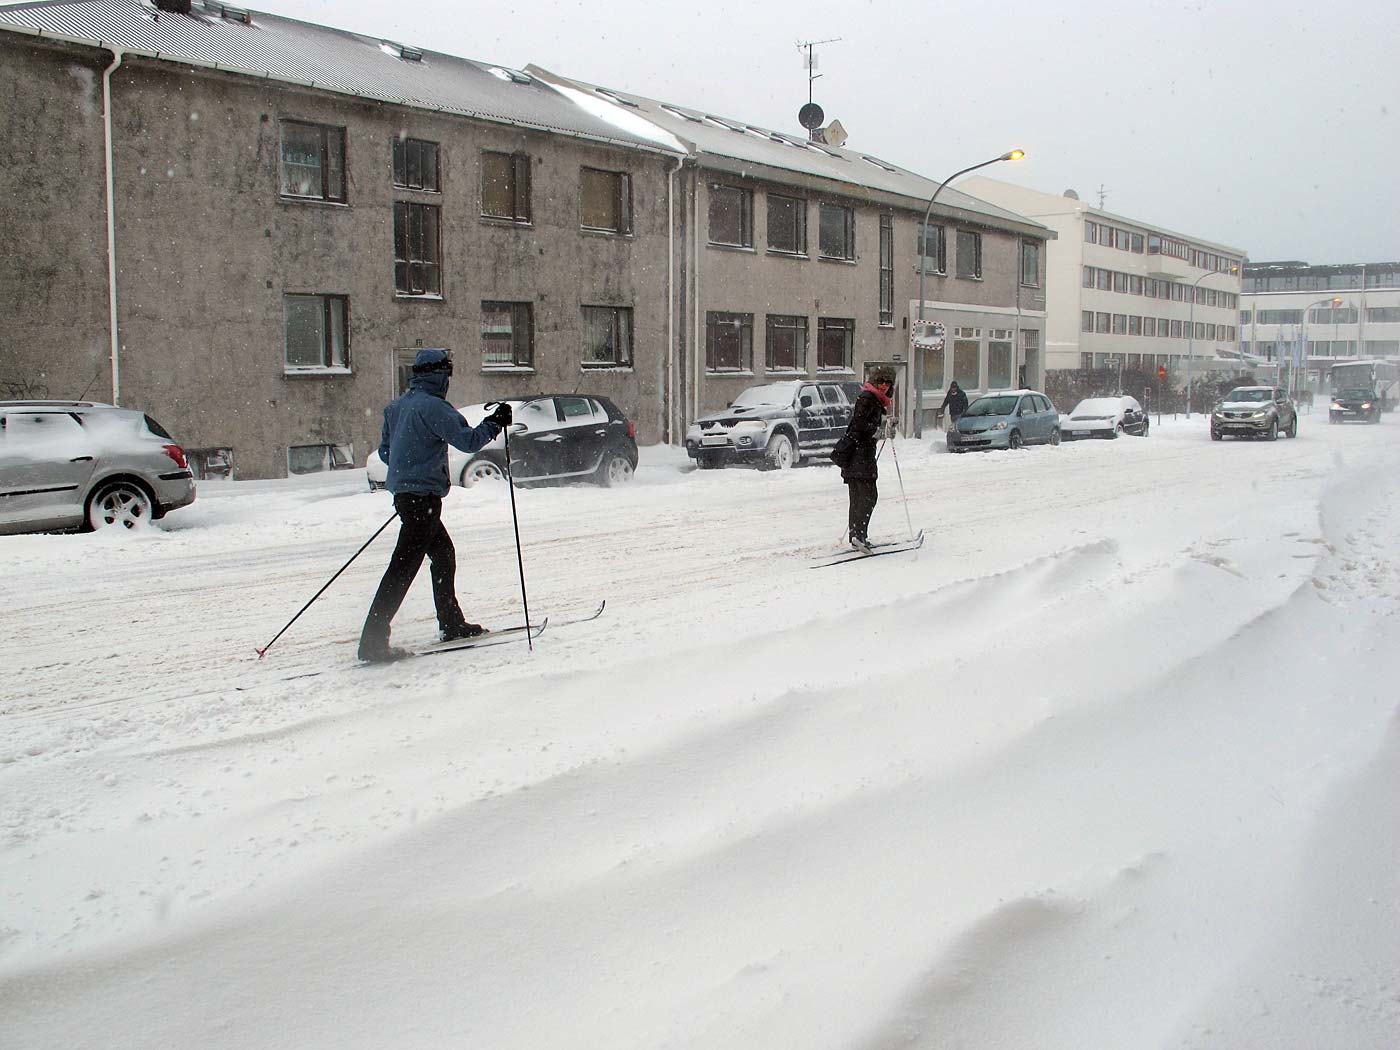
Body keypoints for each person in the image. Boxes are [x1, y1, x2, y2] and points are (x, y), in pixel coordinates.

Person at [358, 348, 513, 663]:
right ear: (440, 375)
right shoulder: (435, 409)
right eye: (447, 374)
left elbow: (387, 453)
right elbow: (468, 441)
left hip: (406, 496)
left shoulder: (397, 408)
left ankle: (452, 623)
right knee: (402, 568)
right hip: (423, 499)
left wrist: (411, 462)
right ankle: (372, 641)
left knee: (443, 555)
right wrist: (495, 422)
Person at [837, 367, 895, 552]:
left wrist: (885, 427)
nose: (884, 385)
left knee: (859, 497)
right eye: (881, 381)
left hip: (860, 455)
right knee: (868, 496)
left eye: (888, 382)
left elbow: (867, 423)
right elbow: (859, 422)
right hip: (859, 455)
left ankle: (857, 535)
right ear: (875, 381)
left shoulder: (875, 400)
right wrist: (876, 431)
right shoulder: (868, 398)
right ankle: (859, 535)